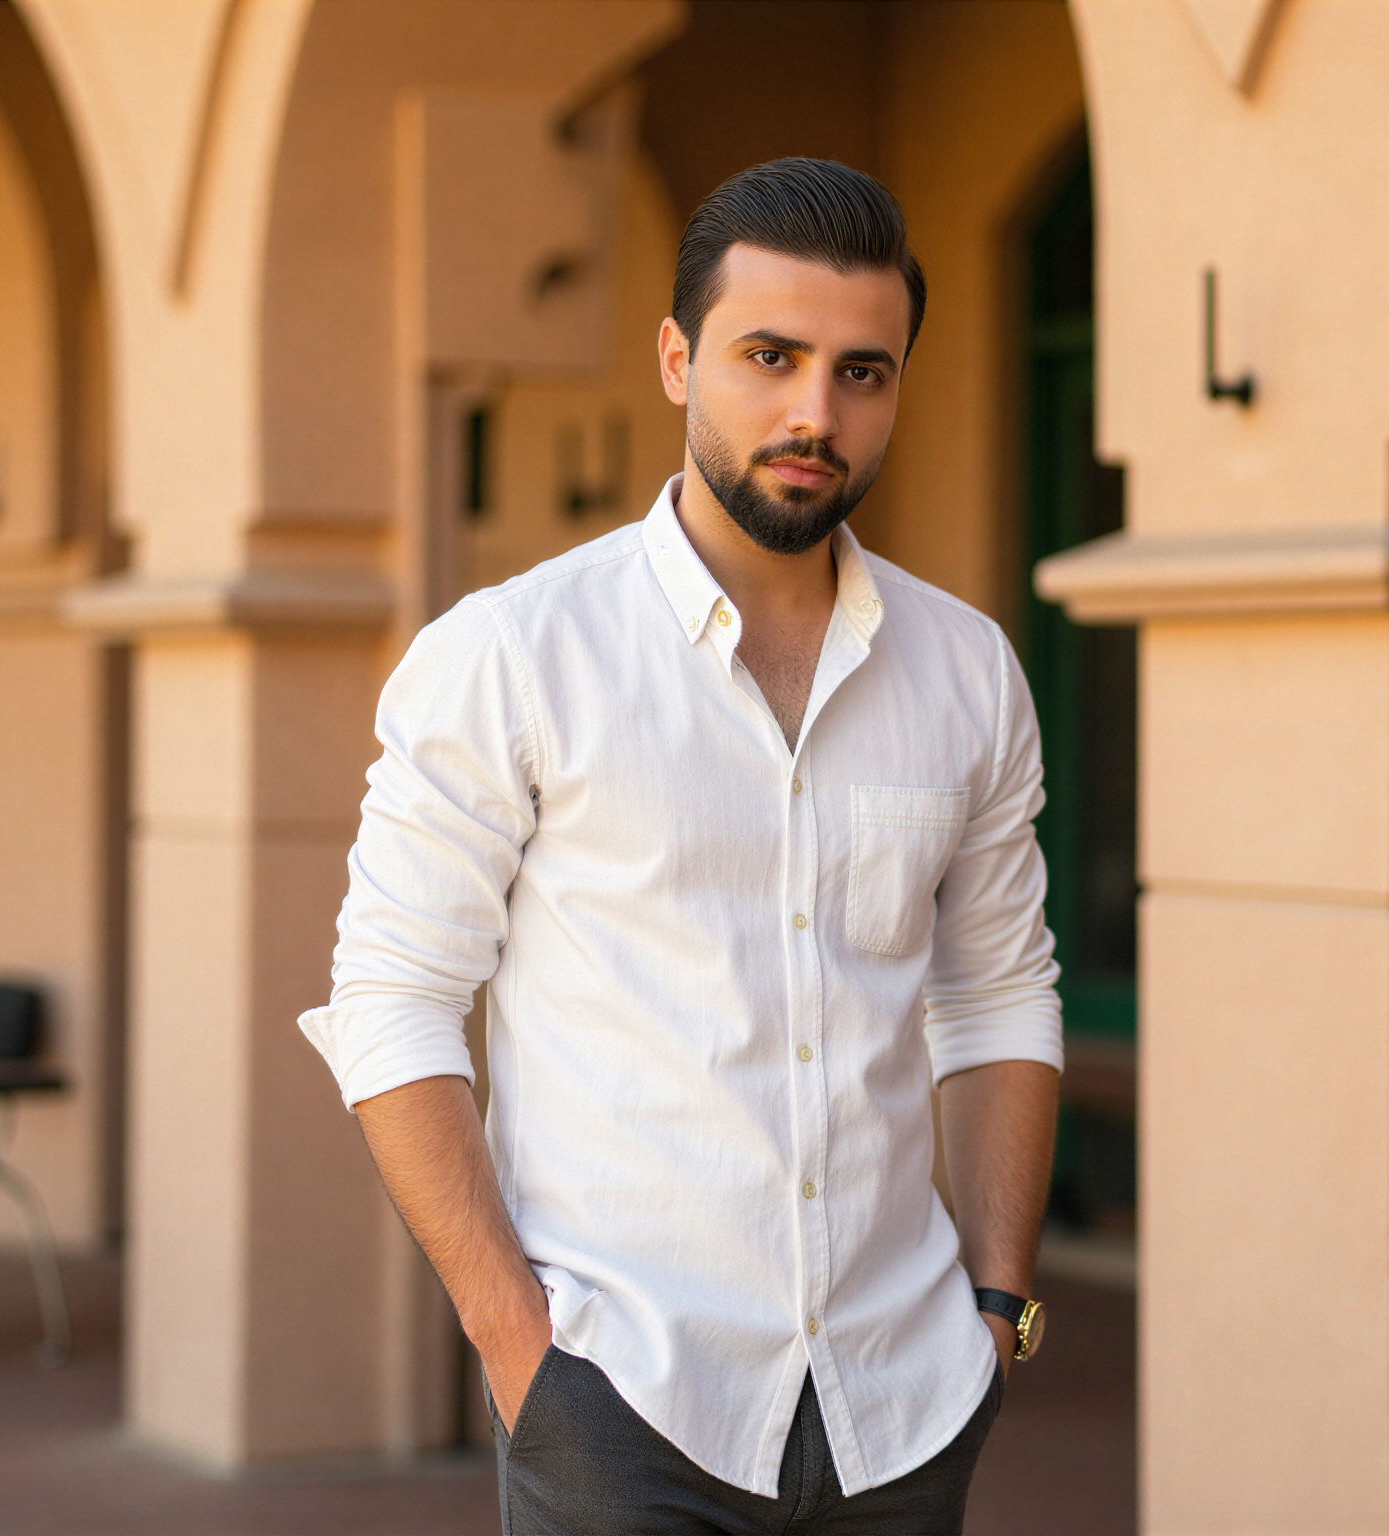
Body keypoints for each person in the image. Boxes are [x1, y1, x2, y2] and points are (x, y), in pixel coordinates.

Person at [299, 157, 1062, 1535]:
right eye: (770, 357)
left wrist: (998, 1307)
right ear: (675, 358)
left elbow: (998, 991)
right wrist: (517, 1344)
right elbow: (391, 1000)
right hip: (621, 1406)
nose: (815, 413)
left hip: (905, 1408)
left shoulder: (968, 671)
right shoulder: (514, 655)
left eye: (863, 372)